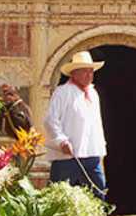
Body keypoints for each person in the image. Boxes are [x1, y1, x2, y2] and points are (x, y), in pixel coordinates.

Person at [44, 51, 108, 198]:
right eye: (85, 71)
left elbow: (96, 125)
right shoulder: (63, 92)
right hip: (67, 156)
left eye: (91, 71)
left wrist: (101, 150)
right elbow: (50, 119)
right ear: (74, 73)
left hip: (91, 153)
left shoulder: (93, 94)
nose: (89, 75)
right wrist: (61, 141)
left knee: (98, 192)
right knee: (60, 196)